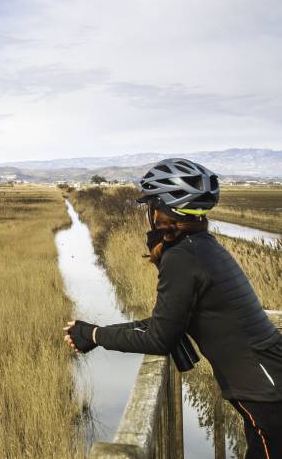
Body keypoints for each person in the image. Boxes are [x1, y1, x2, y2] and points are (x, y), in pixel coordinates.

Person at [63, 158, 282, 458]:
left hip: (266, 394)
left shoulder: (183, 257)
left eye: (151, 205)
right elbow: (163, 324)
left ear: (161, 211)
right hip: (268, 382)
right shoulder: (202, 246)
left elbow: (159, 338)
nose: (148, 213)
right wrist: (93, 333)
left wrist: (95, 335)